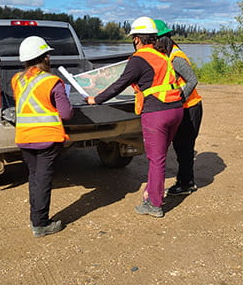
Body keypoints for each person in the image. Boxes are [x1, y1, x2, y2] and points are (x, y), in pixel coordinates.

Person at [86, 17, 183, 218]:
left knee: (156, 160)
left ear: (137, 39)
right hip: (176, 109)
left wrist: (97, 99)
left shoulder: (139, 59)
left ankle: (154, 204)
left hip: (157, 112)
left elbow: (119, 84)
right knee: (160, 156)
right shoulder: (162, 55)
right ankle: (151, 192)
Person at [11, 36, 73, 237]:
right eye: (48, 54)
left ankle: (35, 219)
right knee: (44, 180)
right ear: (44, 57)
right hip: (47, 139)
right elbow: (66, 114)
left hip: (24, 137)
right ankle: (40, 224)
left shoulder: (17, 80)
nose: (49, 57)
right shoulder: (53, 81)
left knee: (34, 177)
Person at [154, 19, 203, 196]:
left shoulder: (176, 57)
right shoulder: (168, 54)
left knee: (184, 147)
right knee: (180, 146)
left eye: (154, 40)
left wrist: (179, 99)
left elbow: (192, 80)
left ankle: (186, 183)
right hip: (183, 106)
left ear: (162, 39)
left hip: (190, 107)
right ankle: (185, 180)